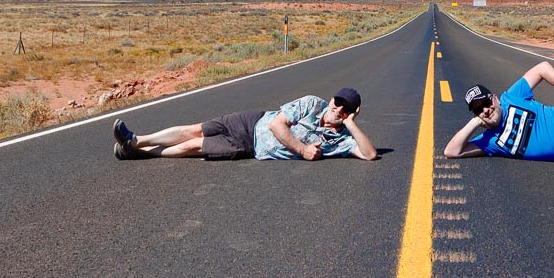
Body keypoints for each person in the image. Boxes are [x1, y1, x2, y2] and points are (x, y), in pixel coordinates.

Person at [113, 87, 378, 161]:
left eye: (346, 109)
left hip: (249, 145)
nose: (338, 109)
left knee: (193, 146)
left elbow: (370, 154)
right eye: (337, 102)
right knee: (195, 128)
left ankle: (136, 152)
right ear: (332, 99)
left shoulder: (339, 140)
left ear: (352, 113)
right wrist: (303, 150)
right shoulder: (312, 103)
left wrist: (352, 124)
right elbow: (277, 125)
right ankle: (137, 140)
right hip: (252, 119)